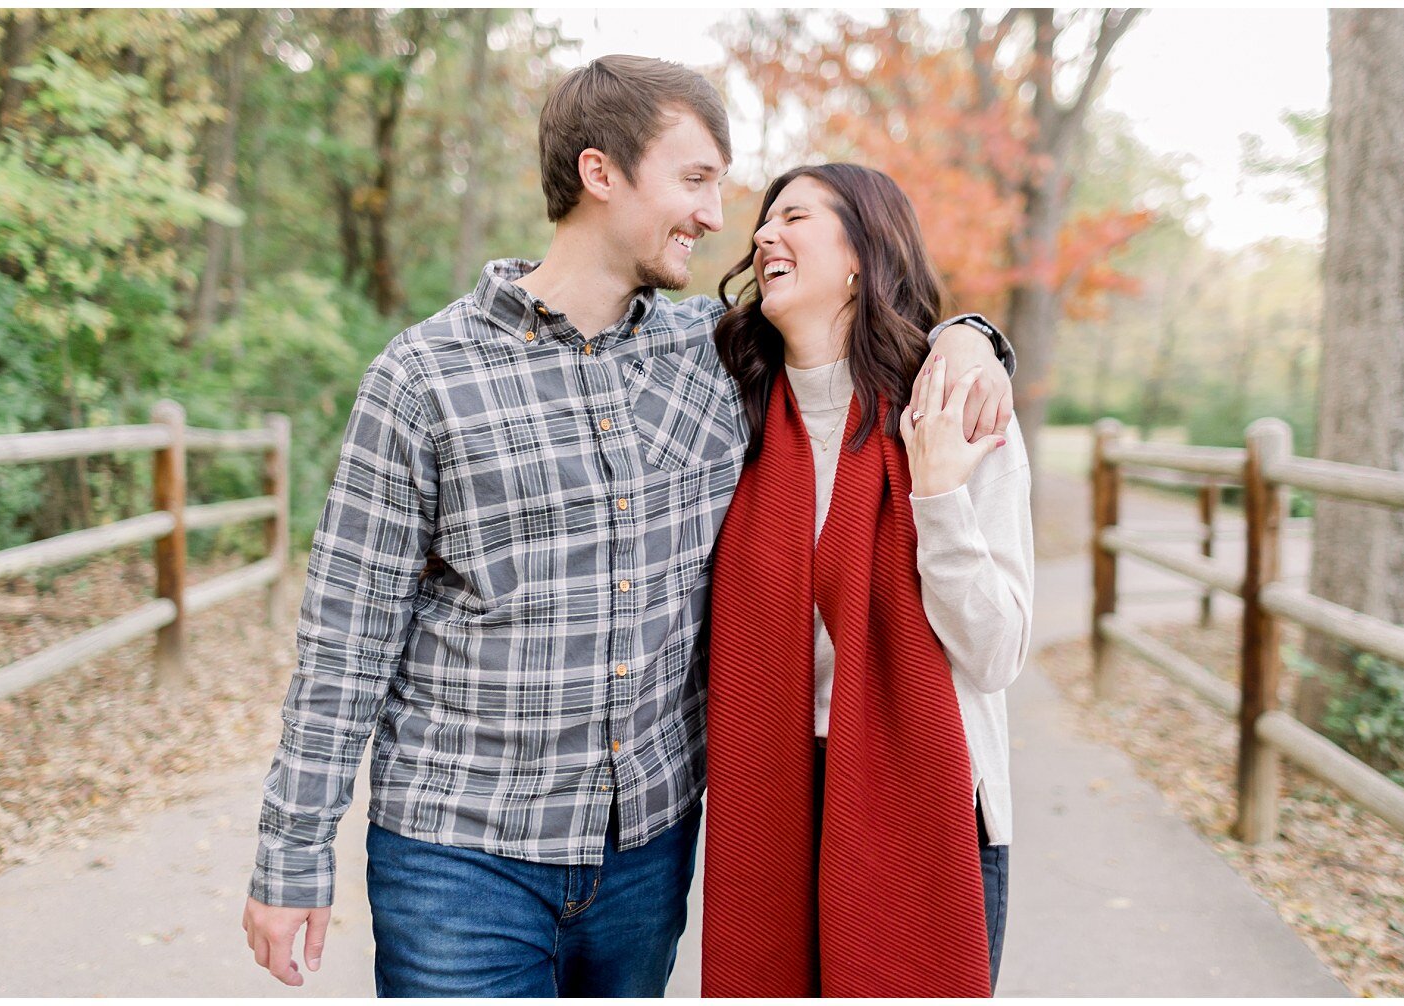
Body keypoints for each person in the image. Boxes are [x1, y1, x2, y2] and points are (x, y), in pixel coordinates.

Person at [242, 58, 1017, 997]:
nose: (716, 216)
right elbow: (345, 637)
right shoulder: (423, 378)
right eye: (695, 180)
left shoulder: (711, 356)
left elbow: (863, 331)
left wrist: (974, 336)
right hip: (459, 851)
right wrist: (293, 854)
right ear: (602, 173)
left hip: (642, 855)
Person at [700, 164, 1033, 997]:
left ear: (863, 253)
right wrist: (975, 326)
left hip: (932, 799)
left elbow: (995, 654)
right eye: (762, 225)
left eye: (796, 217)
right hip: (774, 798)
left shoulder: (954, 403)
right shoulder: (725, 403)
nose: (764, 236)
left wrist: (941, 494)